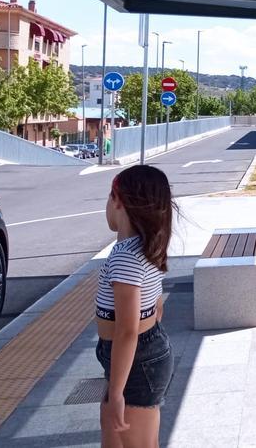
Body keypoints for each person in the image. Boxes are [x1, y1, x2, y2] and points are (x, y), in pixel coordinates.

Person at [96, 165, 176, 447]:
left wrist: (117, 392)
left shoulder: (125, 258)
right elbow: (156, 308)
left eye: (108, 196)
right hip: (139, 355)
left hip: (136, 358)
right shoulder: (144, 248)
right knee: (113, 431)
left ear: (118, 200)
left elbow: (128, 330)